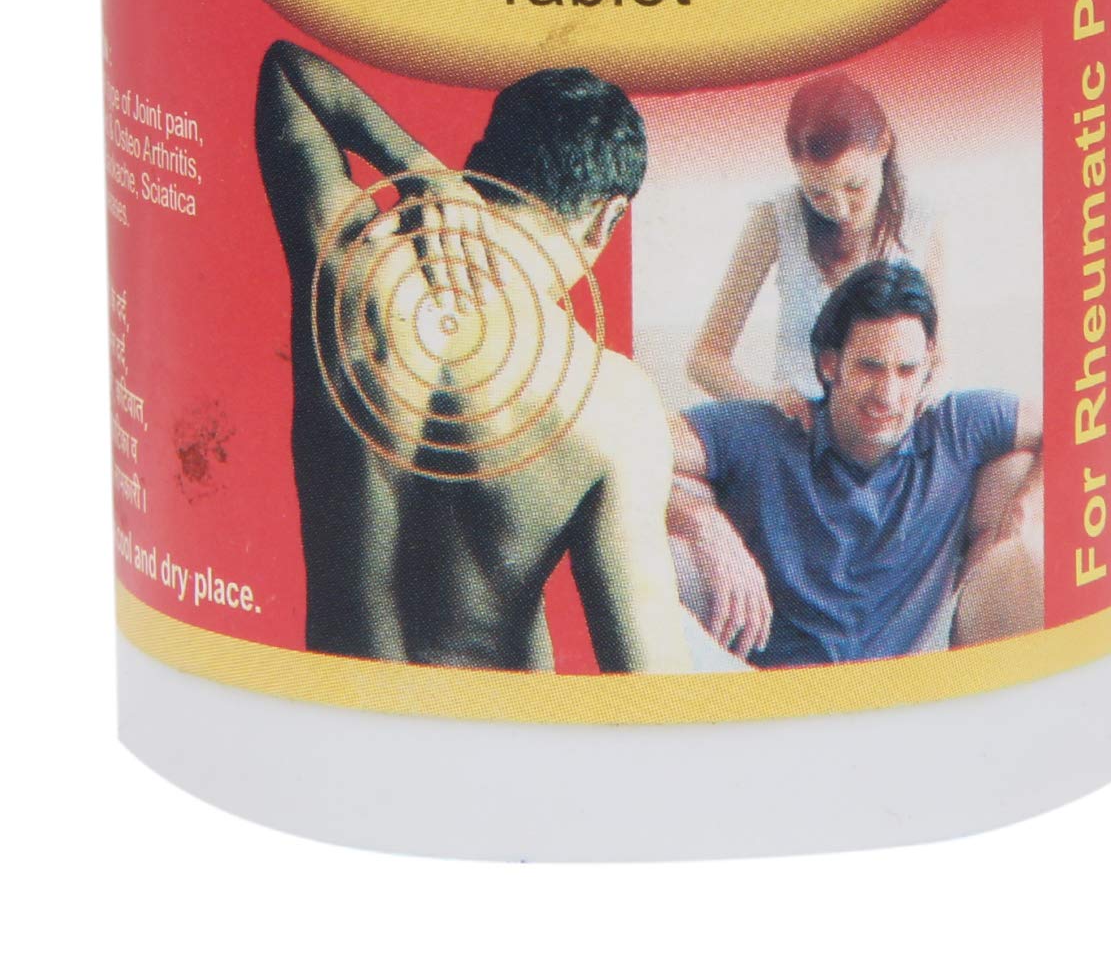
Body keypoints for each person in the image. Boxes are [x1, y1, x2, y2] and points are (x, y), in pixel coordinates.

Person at [256, 41, 690, 672]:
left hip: (343, 705)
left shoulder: (353, 261)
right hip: (496, 724)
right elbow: (652, 685)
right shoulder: (611, 402)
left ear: (477, 165)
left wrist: (419, 166)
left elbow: (289, 76)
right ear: (608, 217)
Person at [668, 261, 1041, 667]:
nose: (888, 394)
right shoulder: (766, 430)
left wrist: (1025, 506)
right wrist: (703, 524)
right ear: (830, 364)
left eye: (907, 370)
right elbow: (631, 441)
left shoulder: (954, 428)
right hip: (769, 687)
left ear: (928, 366)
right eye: (870, 367)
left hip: (909, 685)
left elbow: (1072, 421)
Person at [687, 72, 947, 426]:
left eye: (855, 186)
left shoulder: (921, 218)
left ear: (884, 144)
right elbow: (704, 359)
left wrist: (931, 387)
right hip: (799, 427)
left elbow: (938, 357)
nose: (840, 210)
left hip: (887, 425)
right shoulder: (776, 218)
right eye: (818, 193)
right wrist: (767, 401)